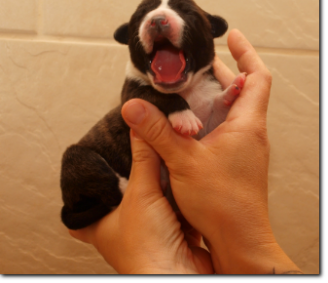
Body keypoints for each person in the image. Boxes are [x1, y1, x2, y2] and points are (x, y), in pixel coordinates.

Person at [68, 29, 303, 274]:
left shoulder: (198, 88)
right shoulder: (140, 86)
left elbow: (208, 130)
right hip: (106, 178)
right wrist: (245, 249)